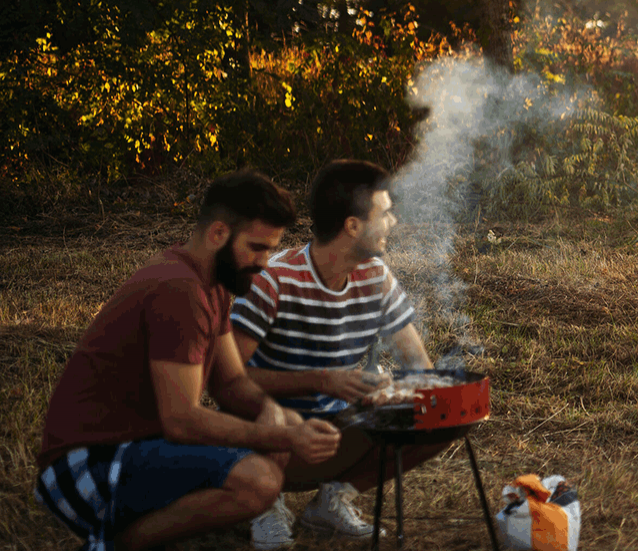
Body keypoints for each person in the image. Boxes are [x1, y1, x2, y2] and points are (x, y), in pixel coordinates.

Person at [34, 170, 339, 551]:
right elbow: (181, 419)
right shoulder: (180, 290)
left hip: (131, 450)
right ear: (217, 234)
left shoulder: (212, 284)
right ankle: (112, 545)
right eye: (257, 247)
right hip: (85, 465)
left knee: (273, 433)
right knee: (258, 480)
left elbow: (231, 383)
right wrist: (284, 435)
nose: (264, 262)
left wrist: (272, 412)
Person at [229, 159, 444, 548]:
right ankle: (264, 502)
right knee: (270, 416)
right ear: (352, 225)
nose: (393, 222)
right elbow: (226, 378)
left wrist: (396, 392)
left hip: (335, 432)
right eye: (385, 212)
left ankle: (333, 499)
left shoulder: (376, 277)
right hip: (270, 435)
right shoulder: (272, 280)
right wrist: (322, 380)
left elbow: (418, 364)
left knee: (437, 416)